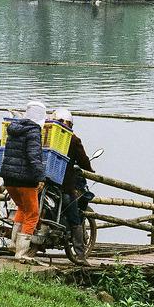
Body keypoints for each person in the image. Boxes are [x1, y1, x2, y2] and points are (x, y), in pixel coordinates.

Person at [0, 101, 47, 261]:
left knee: (22, 207)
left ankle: (13, 244)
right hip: (25, 180)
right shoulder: (33, 131)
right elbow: (34, 156)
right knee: (33, 214)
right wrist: (40, 177)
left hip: (8, 178)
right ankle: (21, 253)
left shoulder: (14, 129)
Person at [51, 109, 94, 265]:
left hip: (47, 182)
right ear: (69, 123)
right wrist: (90, 168)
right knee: (75, 218)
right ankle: (81, 255)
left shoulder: (49, 136)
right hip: (65, 185)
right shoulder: (73, 140)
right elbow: (83, 161)